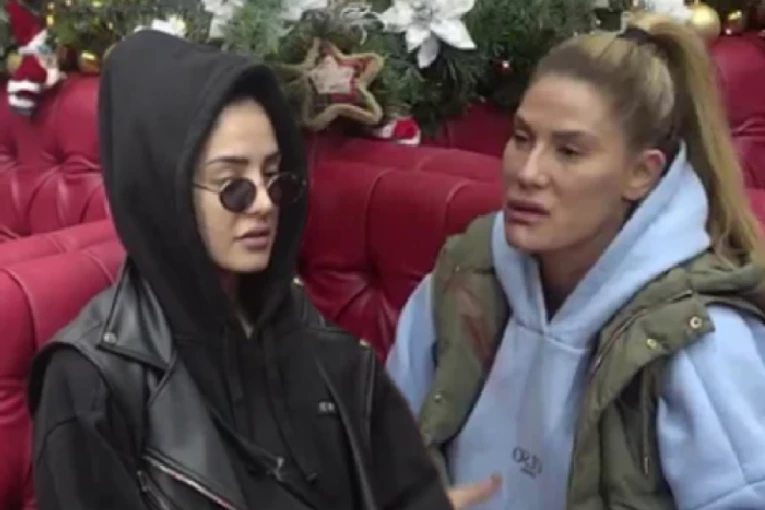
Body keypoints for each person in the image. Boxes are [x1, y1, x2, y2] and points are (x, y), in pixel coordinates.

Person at [28, 31, 452, 510]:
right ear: (163, 192)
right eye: (233, 186)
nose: (265, 204)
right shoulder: (90, 383)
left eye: (274, 177)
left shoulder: (315, 339)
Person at [388, 14, 765, 510]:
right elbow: (382, 452)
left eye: (568, 151)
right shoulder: (466, 274)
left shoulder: (696, 340)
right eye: (522, 138)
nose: (529, 172)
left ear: (641, 173)